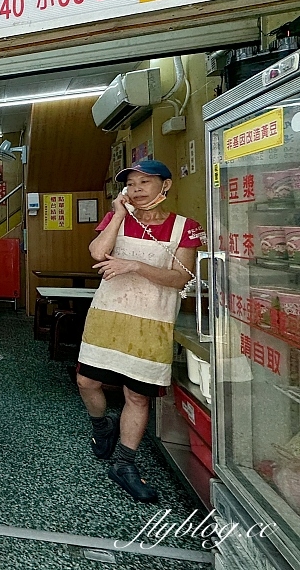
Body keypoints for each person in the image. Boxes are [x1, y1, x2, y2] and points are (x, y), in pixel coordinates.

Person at [77, 160, 203, 503]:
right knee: (86, 382)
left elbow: (181, 278)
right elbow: (97, 252)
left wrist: (133, 265)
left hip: (152, 321)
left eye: (145, 182)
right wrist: (118, 213)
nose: (136, 188)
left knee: (137, 394)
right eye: (131, 183)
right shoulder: (117, 219)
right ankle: (102, 428)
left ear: (166, 186)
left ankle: (124, 463)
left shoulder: (184, 228)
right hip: (107, 315)